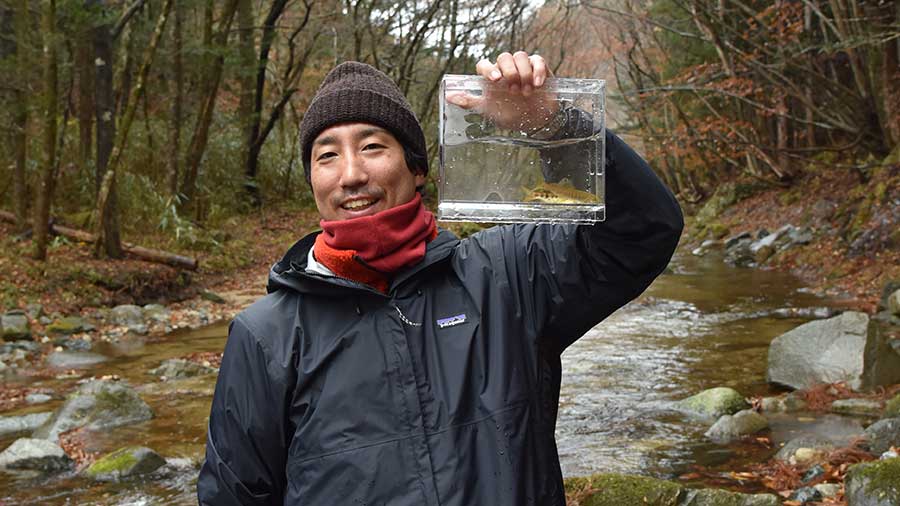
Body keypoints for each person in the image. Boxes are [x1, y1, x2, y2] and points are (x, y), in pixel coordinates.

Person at [198, 51, 683, 506]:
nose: (350, 174)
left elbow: (644, 231)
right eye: (326, 156)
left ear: (417, 170)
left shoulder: (507, 276)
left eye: (371, 147)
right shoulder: (265, 335)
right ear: (312, 181)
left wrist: (555, 129)